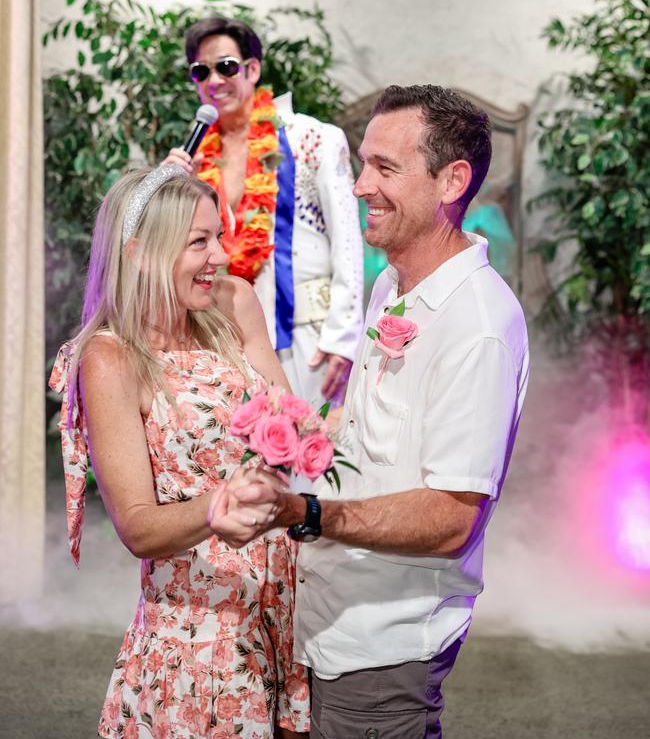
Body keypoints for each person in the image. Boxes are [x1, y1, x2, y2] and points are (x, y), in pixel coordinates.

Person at [212, 85, 530, 738]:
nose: (358, 186)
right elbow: (368, 432)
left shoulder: (478, 324)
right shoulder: (393, 282)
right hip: (330, 616)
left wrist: (305, 514)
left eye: (385, 168)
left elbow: (450, 519)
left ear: (452, 180)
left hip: (385, 645)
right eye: (363, 164)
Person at [49, 165, 310, 739]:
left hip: (287, 599)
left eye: (218, 235)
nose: (220, 254)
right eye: (199, 241)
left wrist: (324, 433)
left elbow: (290, 423)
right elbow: (139, 528)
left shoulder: (234, 302)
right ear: (140, 253)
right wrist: (221, 503)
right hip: (203, 633)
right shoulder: (111, 358)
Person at [163, 15, 364, 409]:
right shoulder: (196, 158)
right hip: (225, 335)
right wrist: (168, 187)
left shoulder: (313, 137)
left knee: (309, 456)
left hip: (309, 336)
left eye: (226, 67)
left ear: (252, 69)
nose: (214, 81)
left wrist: (343, 339)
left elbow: (347, 240)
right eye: (201, 72)